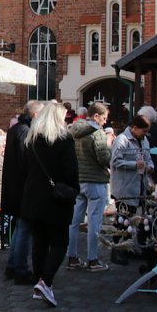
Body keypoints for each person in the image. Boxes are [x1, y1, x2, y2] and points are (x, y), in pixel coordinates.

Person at [21, 102, 79, 307]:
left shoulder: (31, 140)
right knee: (59, 243)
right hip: (56, 199)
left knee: (40, 243)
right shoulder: (64, 140)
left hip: (33, 198)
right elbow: (71, 172)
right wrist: (73, 189)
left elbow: (25, 169)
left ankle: (42, 283)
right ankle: (45, 282)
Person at [66, 102, 111, 272]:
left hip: (79, 180)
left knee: (74, 222)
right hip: (95, 181)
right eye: (104, 118)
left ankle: (72, 257)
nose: (105, 122)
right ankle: (93, 259)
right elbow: (104, 158)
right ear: (96, 116)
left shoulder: (74, 131)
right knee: (94, 223)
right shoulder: (97, 133)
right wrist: (109, 148)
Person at [3, 100, 41, 283]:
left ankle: (12, 265)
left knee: (20, 228)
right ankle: (20, 269)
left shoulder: (15, 129)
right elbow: (26, 163)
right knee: (25, 230)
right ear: (35, 115)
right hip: (22, 188)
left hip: (15, 186)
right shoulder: (25, 132)